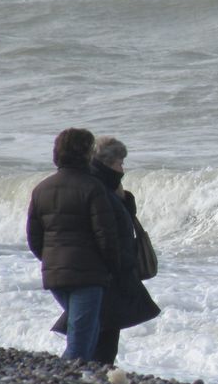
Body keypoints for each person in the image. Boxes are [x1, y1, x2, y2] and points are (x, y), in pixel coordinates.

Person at [52, 136, 160, 365]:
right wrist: (115, 265)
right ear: (107, 163)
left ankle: (84, 375)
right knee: (96, 335)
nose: (122, 169)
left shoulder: (99, 186)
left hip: (90, 271)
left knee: (98, 328)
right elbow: (106, 234)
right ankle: (74, 376)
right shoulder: (97, 189)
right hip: (102, 273)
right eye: (120, 163)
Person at [27, 128, 120, 361]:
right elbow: (106, 236)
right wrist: (112, 267)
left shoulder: (41, 189)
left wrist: (52, 260)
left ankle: (82, 382)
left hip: (55, 275)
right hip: (87, 275)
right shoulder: (92, 188)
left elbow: (34, 238)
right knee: (80, 340)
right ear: (86, 154)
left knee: (90, 330)